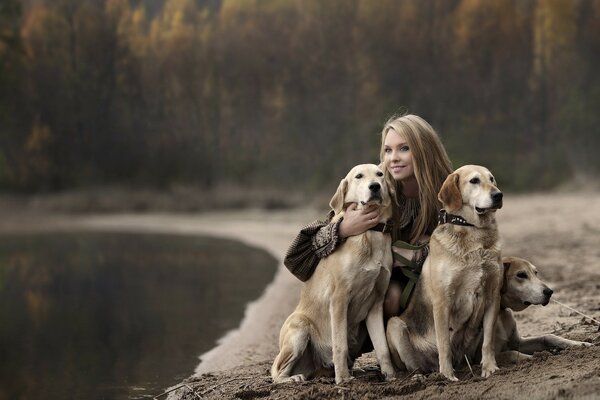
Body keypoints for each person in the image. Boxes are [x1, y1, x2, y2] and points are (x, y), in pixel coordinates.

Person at [284, 113, 453, 318]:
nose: (393, 158)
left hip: (435, 281)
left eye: (404, 148)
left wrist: (420, 254)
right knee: (392, 296)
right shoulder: (373, 186)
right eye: (388, 150)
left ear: (425, 150)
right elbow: (297, 258)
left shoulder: (449, 193)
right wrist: (343, 228)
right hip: (379, 284)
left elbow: (466, 252)